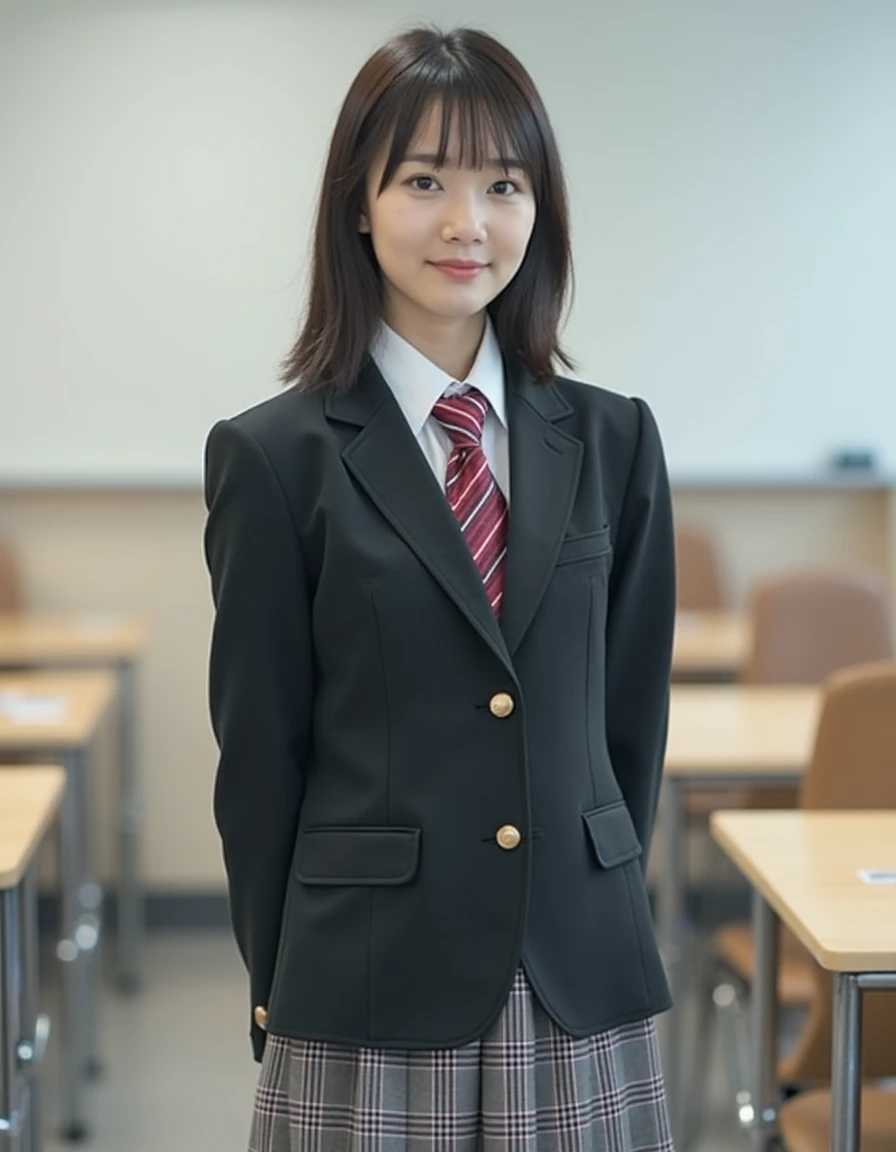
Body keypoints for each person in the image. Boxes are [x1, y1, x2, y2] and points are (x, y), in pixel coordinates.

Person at [204, 23, 676, 1152]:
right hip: (367, 972)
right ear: (358, 205)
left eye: (502, 185)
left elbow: (628, 726)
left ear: (537, 211)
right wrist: (281, 972)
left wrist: (594, 894)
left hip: (576, 966)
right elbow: (260, 753)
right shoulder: (276, 456)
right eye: (424, 180)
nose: (467, 223)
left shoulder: (612, 439)